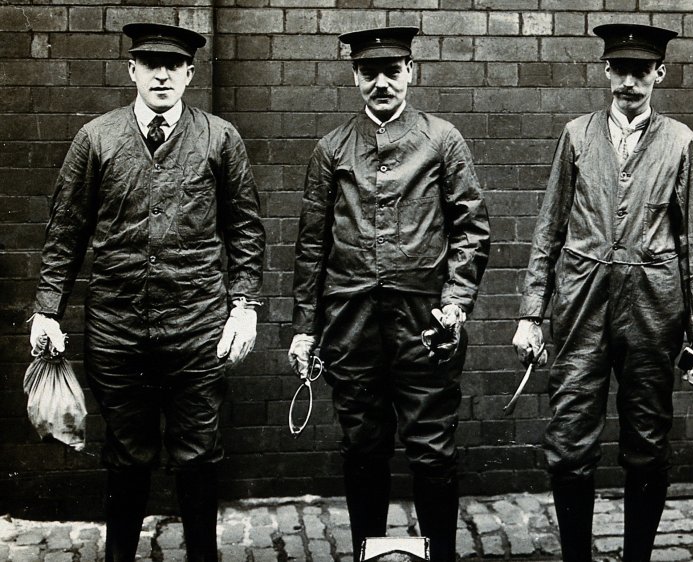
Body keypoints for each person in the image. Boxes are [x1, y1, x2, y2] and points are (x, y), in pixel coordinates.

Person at [28, 23, 265, 562]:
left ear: (189, 72)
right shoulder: (97, 138)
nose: (162, 74)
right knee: (126, 452)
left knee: (199, 452)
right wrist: (47, 309)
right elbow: (65, 230)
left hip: (197, 327)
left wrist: (244, 306)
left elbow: (246, 231)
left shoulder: (220, 138)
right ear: (132, 69)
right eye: (150, 63)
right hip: (117, 327)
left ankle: (202, 555)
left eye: (173, 65)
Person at [512, 24, 693, 562]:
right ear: (606, 71)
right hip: (581, 305)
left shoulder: (680, 142)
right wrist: (532, 314)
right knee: (569, 437)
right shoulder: (577, 135)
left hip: (653, 308)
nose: (629, 83)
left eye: (641, 71)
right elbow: (548, 228)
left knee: (647, 440)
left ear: (660, 74)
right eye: (620, 70)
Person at [287, 26, 490, 562]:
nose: (382, 83)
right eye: (370, 73)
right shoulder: (331, 149)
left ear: (410, 73)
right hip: (350, 324)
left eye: (392, 71)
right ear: (355, 77)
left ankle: (439, 555)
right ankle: (368, 554)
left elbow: (472, 228)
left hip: (424, 322)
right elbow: (311, 246)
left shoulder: (442, 140)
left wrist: (455, 301)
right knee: (363, 446)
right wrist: (306, 327)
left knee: (431, 449)